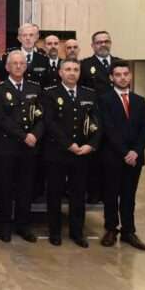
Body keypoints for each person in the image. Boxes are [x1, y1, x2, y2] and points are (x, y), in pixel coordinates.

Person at [41, 59, 101, 248]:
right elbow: (49, 123)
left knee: (78, 194)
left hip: (82, 153)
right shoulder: (50, 93)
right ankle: (55, 232)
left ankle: (77, 233)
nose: (72, 73)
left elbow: (97, 123)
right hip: (57, 152)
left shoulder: (89, 94)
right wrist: (68, 144)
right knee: (55, 193)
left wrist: (91, 145)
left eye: (75, 69)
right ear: (60, 73)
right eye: (68, 69)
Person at [0, 50, 44, 243]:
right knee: (5, 188)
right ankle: (5, 225)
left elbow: (41, 116)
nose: (18, 66)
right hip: (7, 146)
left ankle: (23, 225)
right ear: (7, 67)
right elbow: (1, 118)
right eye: (14, 63)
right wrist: (24, 136)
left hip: (30, 147)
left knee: (26, 188)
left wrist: (35, 135)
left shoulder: (35, 88)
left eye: (22, 63)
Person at [98, 61, 145, 251]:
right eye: (118, 74)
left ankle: (129, 231)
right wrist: (124, 151)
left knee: (129, 195)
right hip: (113, 156)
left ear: (130, 76)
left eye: (125, 74)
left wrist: (136, 151)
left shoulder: (139, 100)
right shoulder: (104, 100)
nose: (122, 77)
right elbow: (108, 129)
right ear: (111, 78)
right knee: (111, 194)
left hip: (134, 158)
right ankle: (111, 229)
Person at [80, 30, 120, 204]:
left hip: (115, 118)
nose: (103, 44)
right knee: (93, 159)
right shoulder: (85, 65)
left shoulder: (120, 63)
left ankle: (110, 194)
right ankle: (94, 193)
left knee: (112, 159)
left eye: (106, 41)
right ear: (92, 45)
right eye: (99, 42)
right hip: (94, 118)